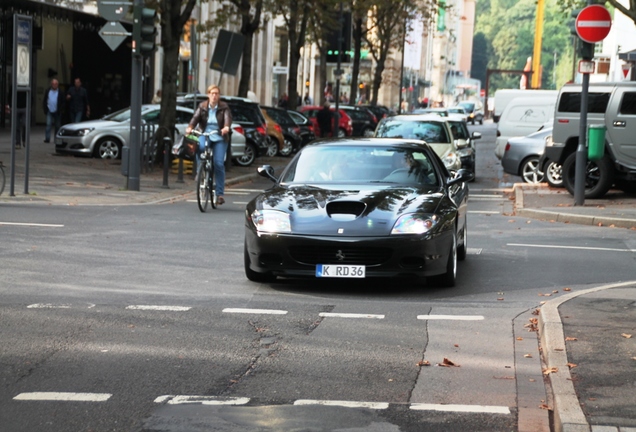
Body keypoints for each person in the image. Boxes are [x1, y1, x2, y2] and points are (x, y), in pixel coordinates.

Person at [185, 85, 232, 206]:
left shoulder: (224, 107)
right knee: (198, 147)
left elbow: (227, 119)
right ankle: (200, 170)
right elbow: (195, 118)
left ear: (219, 95)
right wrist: (190, 127)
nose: (214, 96)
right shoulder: (202, 106)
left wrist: (226, 127)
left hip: (219, 136)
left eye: (216, 93)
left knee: (218, 163)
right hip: (204, 133)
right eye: (212, 93)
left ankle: (219, 194)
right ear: (208, 94)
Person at [42, 78, 65, 143]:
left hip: (57, 111)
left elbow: (63, 101)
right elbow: (45, 100)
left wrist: (61, 109)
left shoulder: (60, 92)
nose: (54, 85)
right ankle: (47, 138)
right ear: (51, 84)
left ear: (58, 85)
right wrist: (45, 109)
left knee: (57, 126)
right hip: (49, 110)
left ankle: (56, 139)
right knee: (48, 124)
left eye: (56, 84)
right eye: (53, 84)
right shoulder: (48, 91)